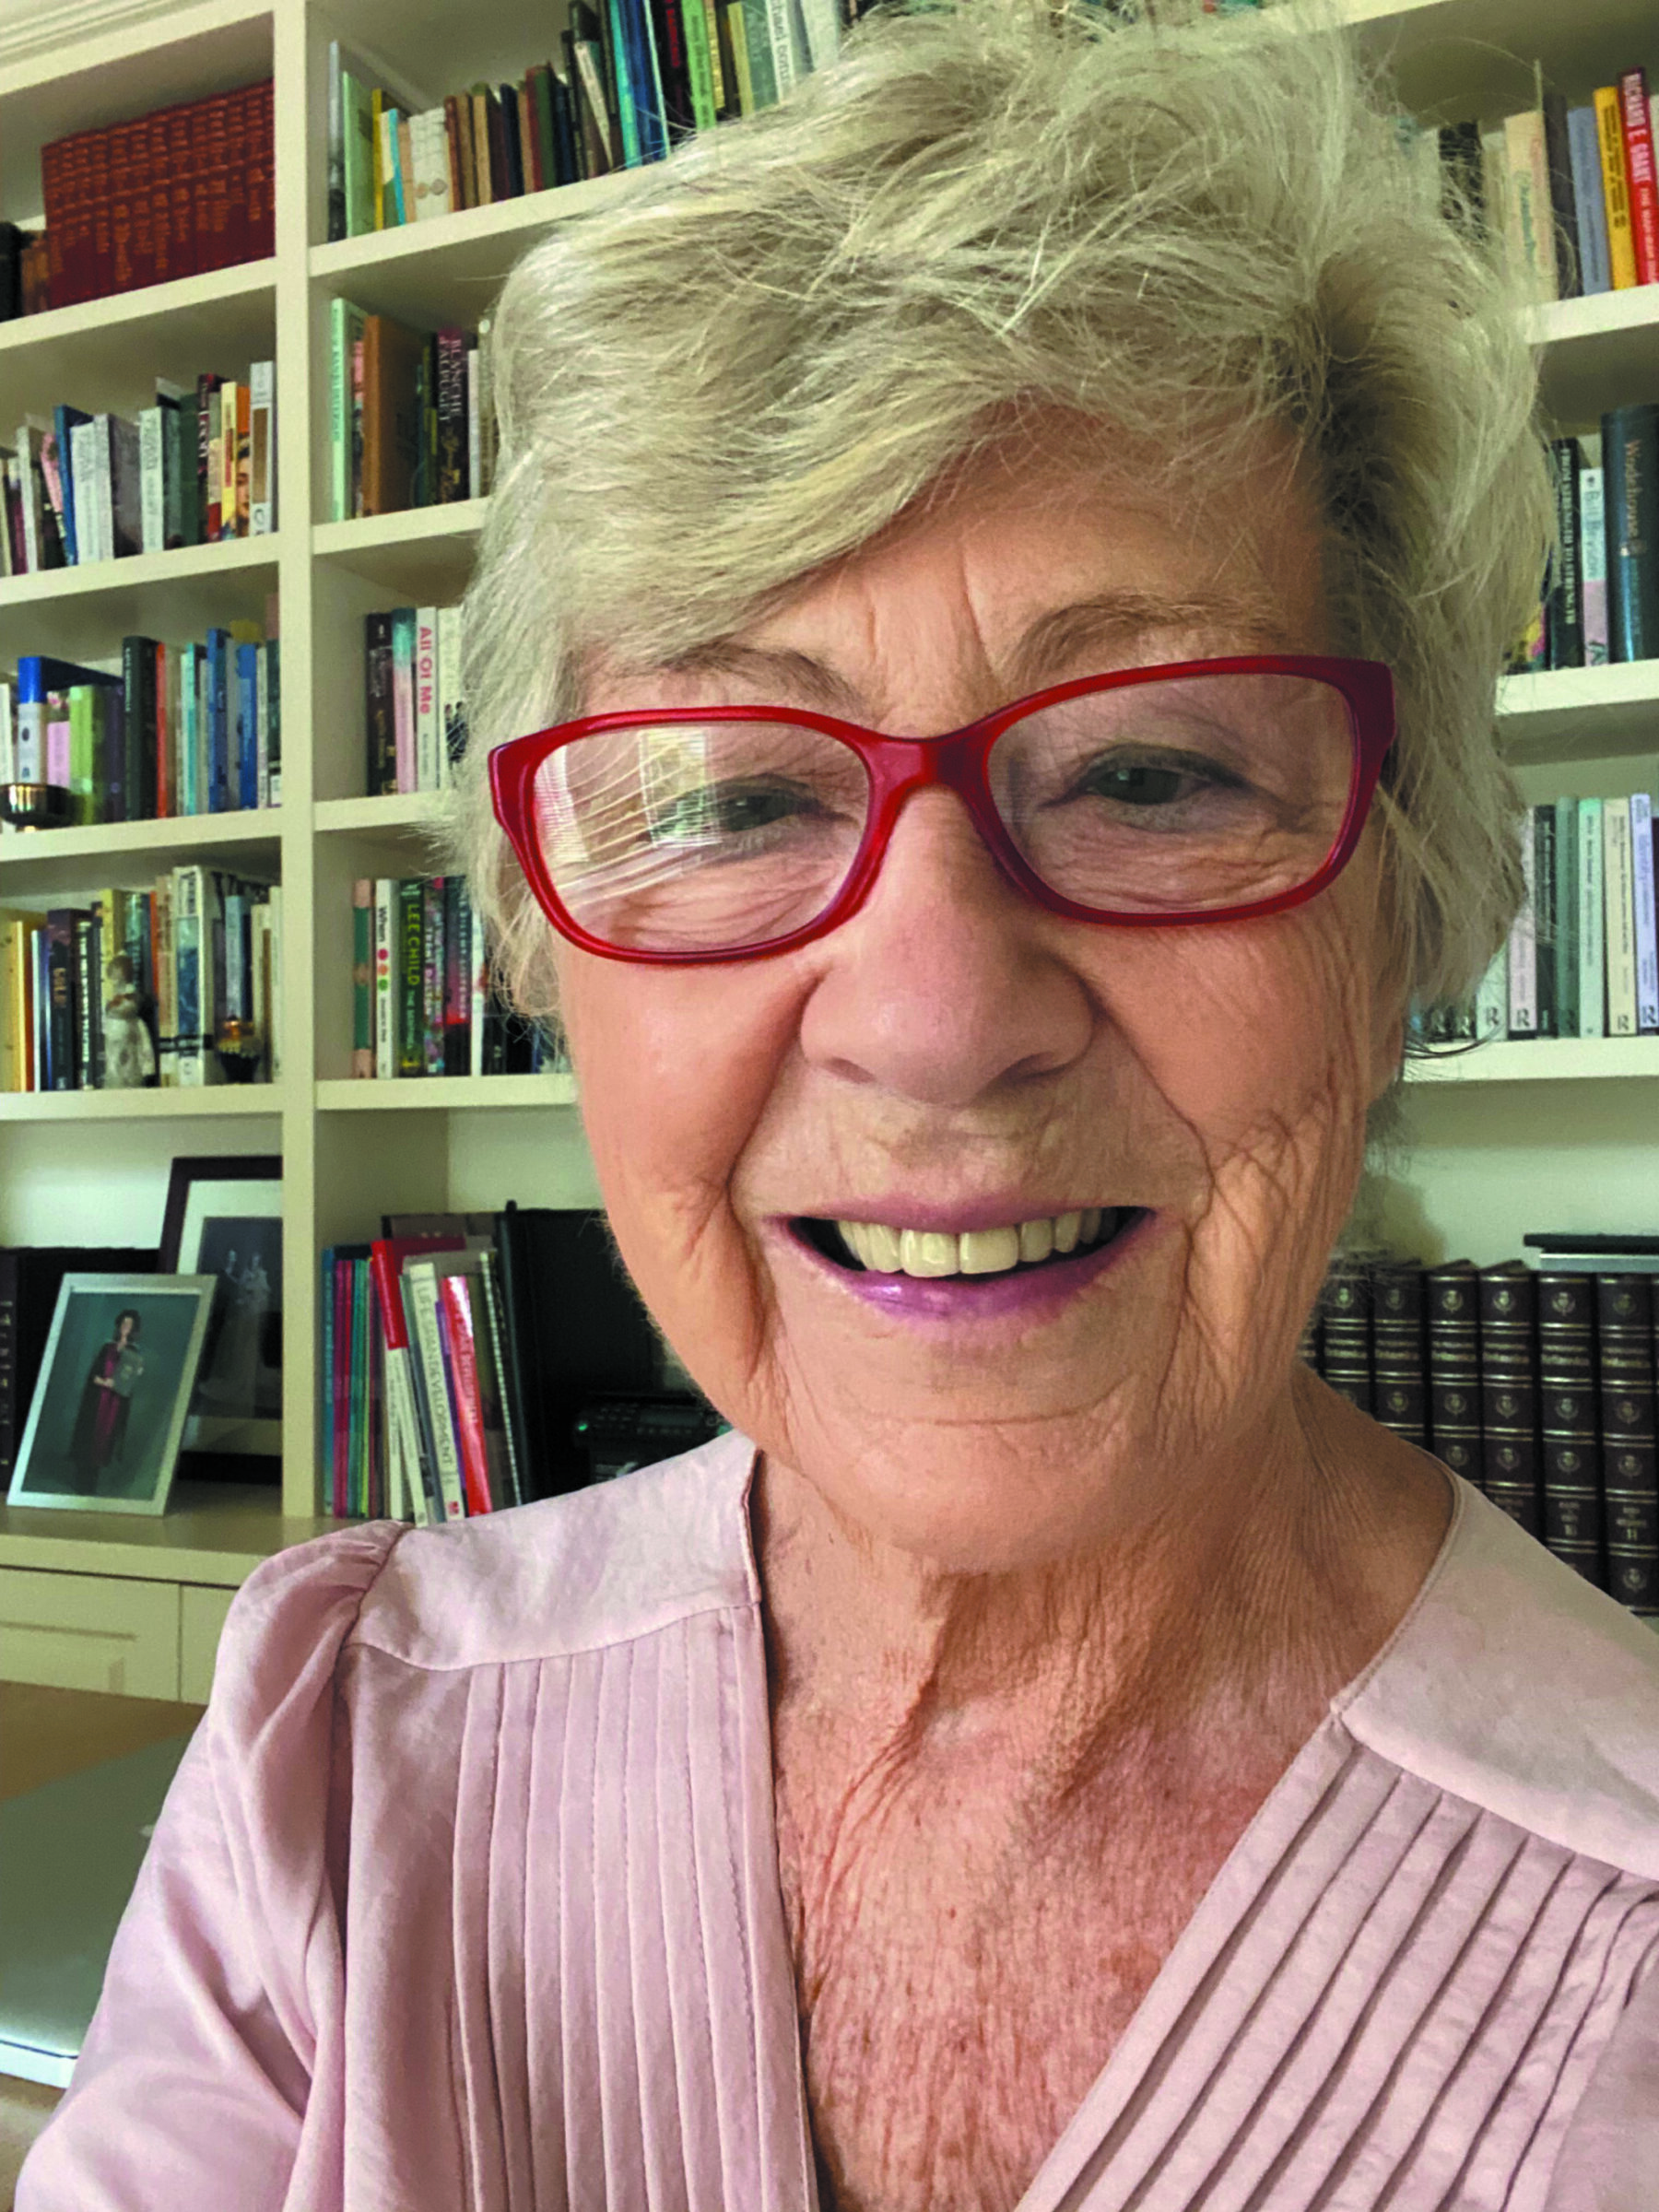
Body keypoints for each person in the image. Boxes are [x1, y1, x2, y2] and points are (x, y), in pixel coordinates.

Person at [20, 5, 1659, 2207]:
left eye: (1148, 771)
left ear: (1404, 911)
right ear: (545, 959)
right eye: (734, 798)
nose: (936, 1016)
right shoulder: (338, 1739)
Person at [68, 1309, 142, 1491]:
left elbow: (129, 1382)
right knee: (89, 1436)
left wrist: (133, 1376)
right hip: (98, 1399)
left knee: (105, 1440)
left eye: (129, 1324)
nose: (126, 1327)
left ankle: (92, 1481)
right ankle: (81, 1478)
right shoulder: (107, 1348)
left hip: (115, 1404)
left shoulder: (134, 1353)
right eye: (124, 1323)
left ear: (134, 1328)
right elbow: (93, 1375)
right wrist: (105, 1382)